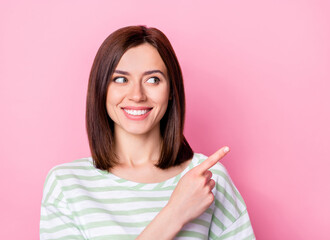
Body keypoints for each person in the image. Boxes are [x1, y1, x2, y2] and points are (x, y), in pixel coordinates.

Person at [40, 25, 255, 240]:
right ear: (101, 89)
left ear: (171, 90)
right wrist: (175, 213)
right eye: (121, 79)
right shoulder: (67, 184)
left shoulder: (207, 179)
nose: (137, 95)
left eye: (153, 80)